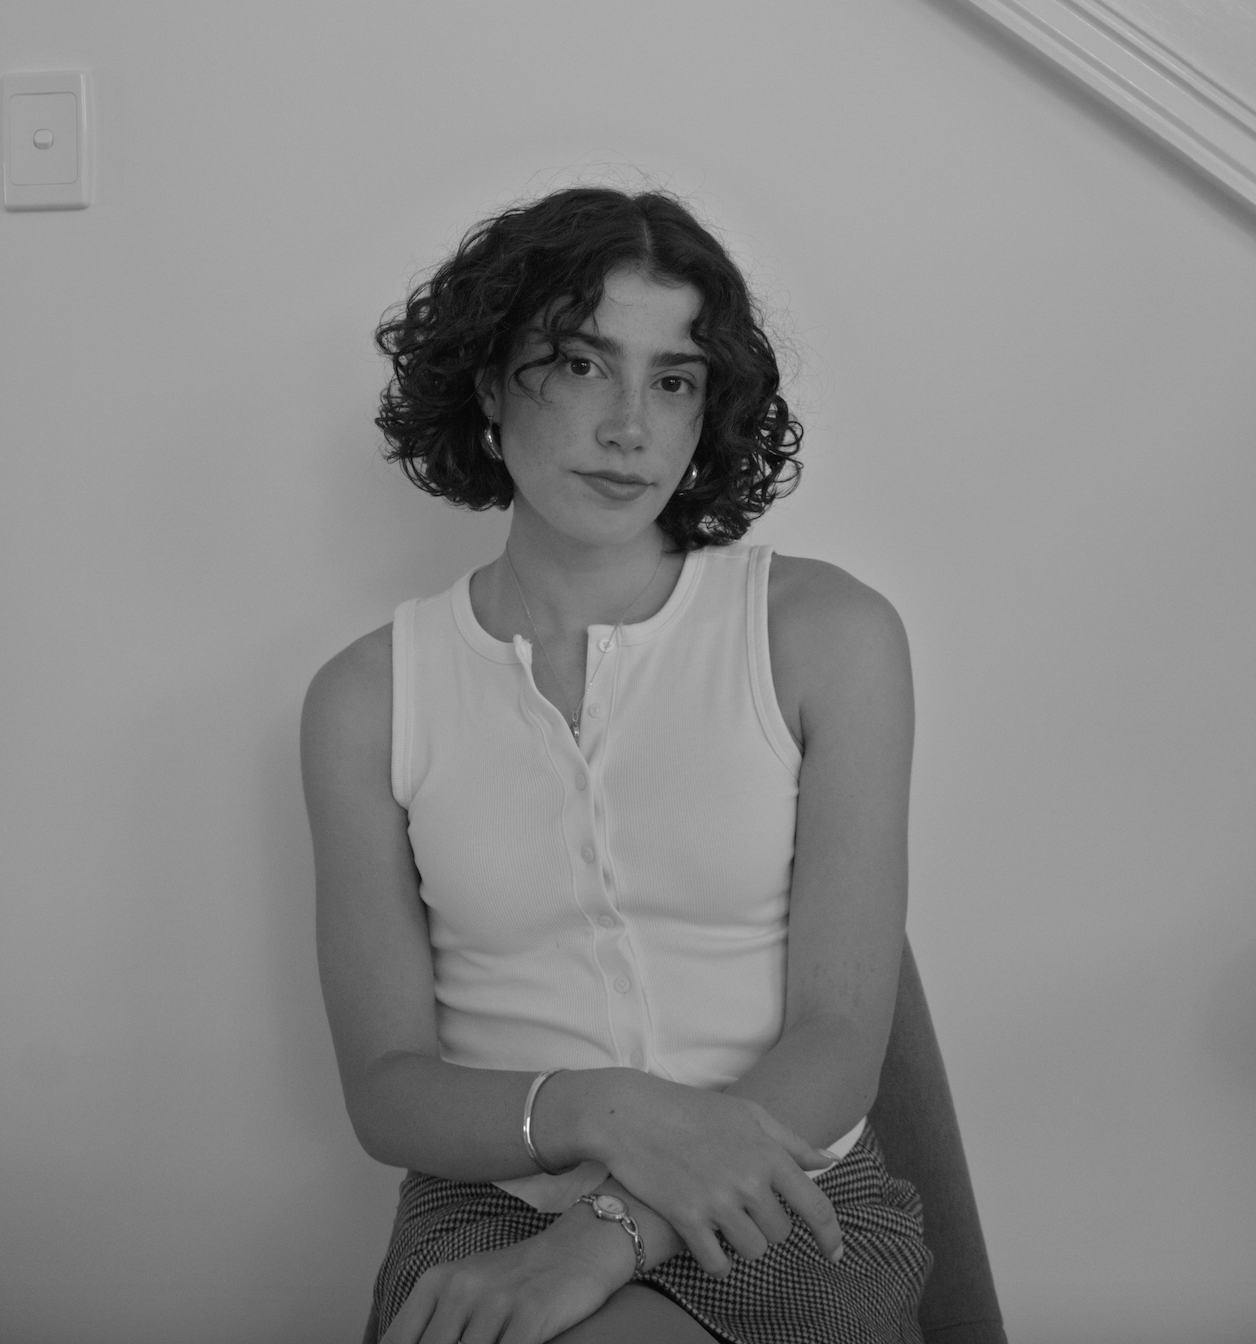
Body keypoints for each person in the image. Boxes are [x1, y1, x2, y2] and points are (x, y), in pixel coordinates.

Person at [300, 186, 930, 1344]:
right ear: (488, 384)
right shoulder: (365, 697)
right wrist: (613, 1112)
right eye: (582, 367)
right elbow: (387, 1086)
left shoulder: (826, 636)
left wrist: (602, 1234)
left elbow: (839, 1038)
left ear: (707, 413)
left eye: (674, 380)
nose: (629, 426)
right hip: (486, 1207)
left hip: (786, 1197)